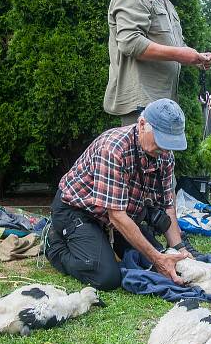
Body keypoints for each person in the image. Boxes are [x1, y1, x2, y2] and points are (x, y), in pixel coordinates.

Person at [46, 98, 196, 291]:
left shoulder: (165, 155)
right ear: (142, 125)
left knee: (158, 258)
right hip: (77, 211)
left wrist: (179, 250)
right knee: (107, 277)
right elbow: (116, 216)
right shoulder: (113, 148)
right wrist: (158, 259)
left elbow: (168, 206)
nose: (165, 149)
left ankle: (99, 241)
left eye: (170, 143)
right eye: (161, 140)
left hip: (118, 216)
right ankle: (54, 245)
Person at [104, 0, 211, 125]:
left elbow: (173, 45)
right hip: (141, 104)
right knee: (139, 154)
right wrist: (180, 54)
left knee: (159, 154)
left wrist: (196, 57)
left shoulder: (163, 1)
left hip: (161, 102)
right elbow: (130, 42)